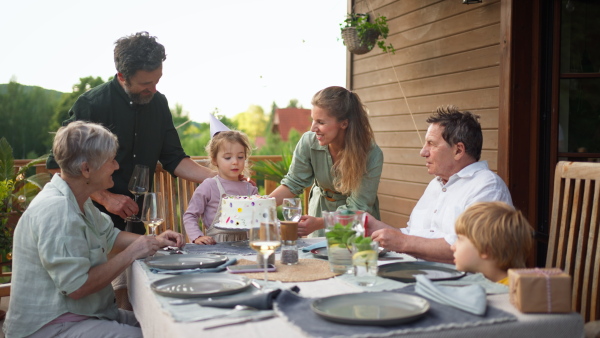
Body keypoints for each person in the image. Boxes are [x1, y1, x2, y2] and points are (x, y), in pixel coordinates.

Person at [3, 121, 184, 338]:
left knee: (166, 325)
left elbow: (110, 235)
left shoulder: (77, 199)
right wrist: (134, 251)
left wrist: (157, 241)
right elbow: (77, 287)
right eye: (111, 161)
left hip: (83, 314)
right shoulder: (56, 210)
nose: (117, 166)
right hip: (51, 325)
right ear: (86, 169)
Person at [46, 31, 215, 235]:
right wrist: (106, 198)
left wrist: (219, 178)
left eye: (157, 81)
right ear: (122, 76)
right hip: (92, 224)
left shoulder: (159, 103)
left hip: (136, 223)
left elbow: (175, 159)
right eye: (145, 84)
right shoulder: (92, 105)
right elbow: (56, 165)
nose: (153, 89)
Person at [369, 105, 513, 263]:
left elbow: (473, 250)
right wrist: (373, 226)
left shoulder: (487, 186)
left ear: (458, 150)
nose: (423, 152)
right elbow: (413, 234)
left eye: (431, 144)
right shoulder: (436, 184)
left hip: (462, 284)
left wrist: (403, 242)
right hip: (423, 277)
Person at [269, 86, 383, 237]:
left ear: (344, 123)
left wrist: (320, 222)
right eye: (313, 120)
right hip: (319, 208)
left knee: (349, 257)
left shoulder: (371, 154)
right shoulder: (308, 142)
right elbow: (293, 183)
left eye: (321, 122)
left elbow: (358, 207)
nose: (313, 128)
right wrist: (261, 205)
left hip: (354, 221)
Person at [183, 126, 257, 244]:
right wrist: (197, 237)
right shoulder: (209, 186)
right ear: (214, 160)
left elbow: (261, 218)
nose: (235, 162)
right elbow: (190, 215)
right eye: (228, 157)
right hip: (216, 246)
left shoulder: (250, 189)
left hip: (245, 245)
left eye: (240, 157)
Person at [452, 201, 533, 285]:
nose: (452, 247)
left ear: (485, 250)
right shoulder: (490, 285)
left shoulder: (511, 292)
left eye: (460, 239)